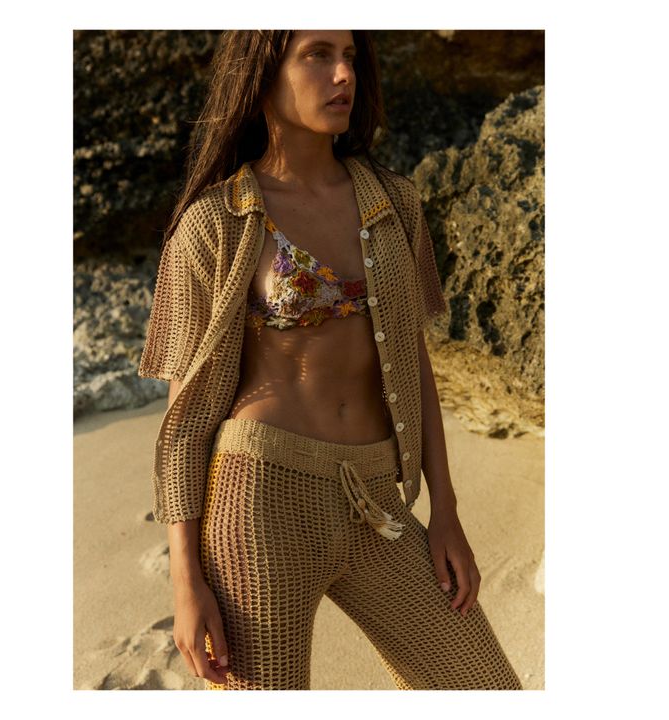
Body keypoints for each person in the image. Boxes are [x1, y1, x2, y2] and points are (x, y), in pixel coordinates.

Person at [138, 29, 523, 691]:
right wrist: (185, 578)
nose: (342, 74)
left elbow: (415, 363)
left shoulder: (395, 202)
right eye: (318, 54)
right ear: (264, 74)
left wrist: (446, 511)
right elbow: (184, 418)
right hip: (258, 503)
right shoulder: (214, 221)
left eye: (350, 57)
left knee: (485, 687)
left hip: (375, 499)